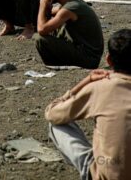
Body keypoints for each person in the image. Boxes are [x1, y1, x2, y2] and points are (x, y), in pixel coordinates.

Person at [45, 29, 131, 180]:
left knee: (56, 124)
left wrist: (84, 82)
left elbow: (52, 113)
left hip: (106, 175)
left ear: (109, 60)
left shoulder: (101, 87)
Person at [36, 0, 104, 68]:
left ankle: (55, 64)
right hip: (89, 54)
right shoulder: (71, 2)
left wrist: (42, 5)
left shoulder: (70, 8)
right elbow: (51, 12)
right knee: (54, 26)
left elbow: (42, 30)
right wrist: (46, 8)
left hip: (89, 58)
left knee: (40, 39)